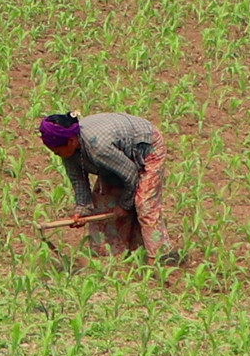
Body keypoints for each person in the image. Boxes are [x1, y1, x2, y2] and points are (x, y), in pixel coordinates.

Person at [37, 110, 169, 258]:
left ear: (72, 141)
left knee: (145, 204)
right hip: (118, 157)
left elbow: (131, 175)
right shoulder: (69, 150)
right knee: (104, 206)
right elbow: (78, 181)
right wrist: (82, 210)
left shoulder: (99, 149)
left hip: (147, 147)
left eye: (56, 150)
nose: (56, 154)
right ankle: (116, 256)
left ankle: (158, 259)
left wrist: (125, 205)